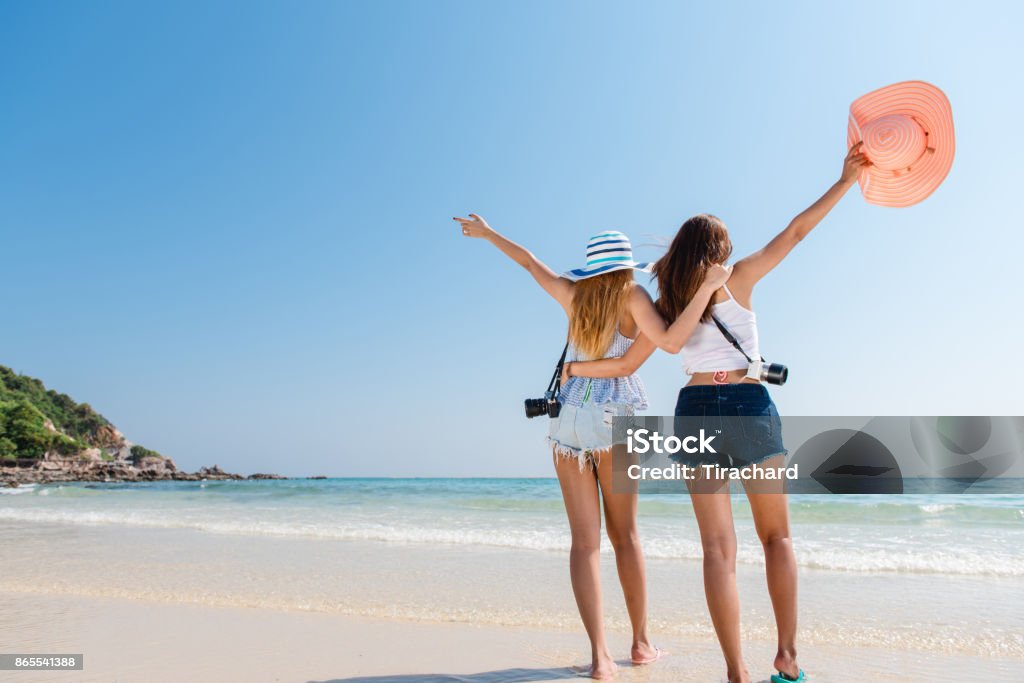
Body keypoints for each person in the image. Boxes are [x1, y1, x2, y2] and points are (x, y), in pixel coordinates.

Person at [564, 143, 871, 683]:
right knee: (776, 538)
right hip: (749, 404)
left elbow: (644, 343)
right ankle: (787, 657)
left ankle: (735, 670)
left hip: (696, 406)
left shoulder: (666, 296)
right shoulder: (738, 279)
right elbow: (797, 231)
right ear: (721, 250)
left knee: (717, 550)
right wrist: (845, 181)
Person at [454, 217, 726, 678]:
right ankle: (640, 645)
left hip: (569, 422)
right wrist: (702, 290)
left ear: (590, 270)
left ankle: (600, 656)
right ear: (625, 269)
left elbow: (528, 262)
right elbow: (658, 347)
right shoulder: (634, 297)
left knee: (584, 543)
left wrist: (488, 232)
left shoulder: (573, 296)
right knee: (627, 537)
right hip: (616, 419)